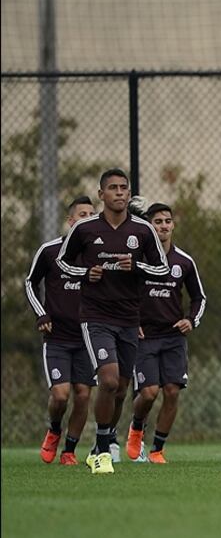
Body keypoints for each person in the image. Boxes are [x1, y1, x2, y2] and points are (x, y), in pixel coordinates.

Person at [57, 169, 169, 474]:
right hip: (95, 317)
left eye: (124, 188)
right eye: (113, 188)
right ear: (101, 194)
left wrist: (137, 266)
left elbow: (162, 270)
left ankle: (100, 445)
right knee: (106, 380)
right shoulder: (85, 229)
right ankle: (104, 451)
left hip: (129, 318)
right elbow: (63, 262)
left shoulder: (143, 231)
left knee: (120, 388)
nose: (119, 193)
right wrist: (85, 273)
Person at [125, 203, 207, 464]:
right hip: (144, 337)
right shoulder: (138, 260)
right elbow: (122, 293)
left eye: (167, 221)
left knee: (172, 391)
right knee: (149, 392)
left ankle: (157, 449)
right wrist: (131, 320)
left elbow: (199, 298)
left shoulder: (183, 261)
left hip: (173, 337)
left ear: (173, 225)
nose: (163, 225)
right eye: (157, 221)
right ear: (149, 226)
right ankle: (136, 429)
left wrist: (190, 320)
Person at [25, 196, 97, 466]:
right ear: (71, 221)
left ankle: (69, 450)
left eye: (92, 214)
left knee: (83, 394)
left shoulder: (96, 255)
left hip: (88, 336)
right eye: (82, 214)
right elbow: (30, 283)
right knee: (60, 395)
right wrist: (41, 314)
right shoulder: (50, 250)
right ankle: (54, 429)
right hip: (57, 337)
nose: (88, 218)